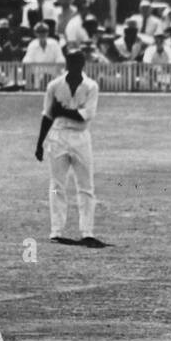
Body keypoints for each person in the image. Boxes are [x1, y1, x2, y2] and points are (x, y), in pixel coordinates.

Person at [35, 46, 105, 248]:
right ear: (66, 64)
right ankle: (56, 230)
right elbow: (48, 115)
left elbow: (87, 114)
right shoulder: (55, 85)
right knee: (57, 186)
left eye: (77, 63)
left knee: (86, 186)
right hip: (58, 136)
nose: (73, 67)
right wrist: (39, 143)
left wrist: (61, 110)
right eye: (70, 63)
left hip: (81, 137)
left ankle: (87, 232)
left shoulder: (91, 86)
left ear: (83, 64)